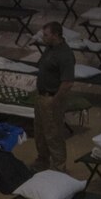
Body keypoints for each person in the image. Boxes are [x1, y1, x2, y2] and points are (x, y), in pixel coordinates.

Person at [33, 21, 75, 173]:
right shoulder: (49, 48)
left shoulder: (65, 55)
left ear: (56, 35)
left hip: (52, 98)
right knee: (40, 132)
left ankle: (59, 166)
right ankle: (42, 160)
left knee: (53, 134)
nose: (43, 38)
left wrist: (55, 100)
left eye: (46, 35)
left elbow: (68, 83)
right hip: (41, 96)